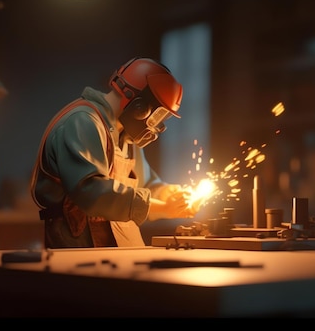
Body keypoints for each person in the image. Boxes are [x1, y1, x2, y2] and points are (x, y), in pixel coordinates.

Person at [30, 57, 197, 248]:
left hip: (122, 244)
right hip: (79, 244)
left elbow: (146, 186)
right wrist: (159, 207)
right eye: (159, 115)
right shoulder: (82, 122)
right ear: (139, 107)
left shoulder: (127, 137)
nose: (157, 125)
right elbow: (91, 192)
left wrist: (170, 196)